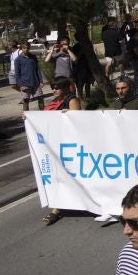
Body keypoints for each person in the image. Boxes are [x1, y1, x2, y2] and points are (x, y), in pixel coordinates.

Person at [41, 77, 81, 226]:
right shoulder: (53, 102)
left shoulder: (71, 99)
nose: (54, 90)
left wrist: (69, 113)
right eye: (53, 87)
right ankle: (57, 208)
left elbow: (79, 117)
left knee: (70, 175)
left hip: (69, 144)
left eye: (57, 88)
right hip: (55, 144)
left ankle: (57, 210)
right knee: (59, 176)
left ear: (65, 88)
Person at [15, 42, 45, 115]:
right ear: (21, 49)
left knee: (40, 98)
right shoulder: (18, 60)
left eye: (27, 48)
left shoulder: (33, 57)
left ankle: (44, 114)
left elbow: (38, 69)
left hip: (35, 82)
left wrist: (41, 81)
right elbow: (17, 73)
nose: (26, 49)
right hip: (25, 83)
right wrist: (20, 85)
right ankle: (26, 118)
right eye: (24, 48)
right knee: (26, 101)